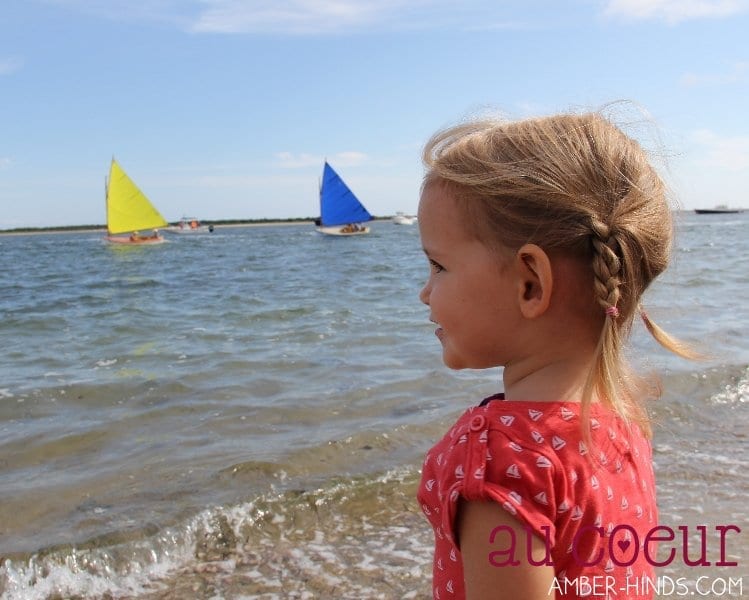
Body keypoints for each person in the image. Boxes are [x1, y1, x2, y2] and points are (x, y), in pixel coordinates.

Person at [416, 110, 696, 599]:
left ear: (531, 283)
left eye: (438, 265)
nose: (425, 292)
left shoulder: (498, 462)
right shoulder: (621, 424)